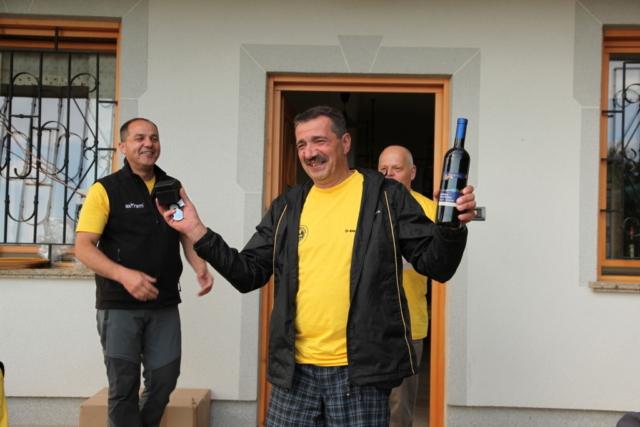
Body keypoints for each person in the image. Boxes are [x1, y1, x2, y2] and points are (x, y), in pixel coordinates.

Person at [157, 105, 475, 427]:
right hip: (295, 373)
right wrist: (196, 230)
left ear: (345, 143)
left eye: (319, 141)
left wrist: (452, 228)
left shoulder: (386, 196)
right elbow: (247, 274)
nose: (310, 153)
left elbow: (436, 265)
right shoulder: (287, 206)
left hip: (360, 373)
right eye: (302, 144)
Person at [75, 118, 213, 427]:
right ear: (122, 147)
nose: (148, 143)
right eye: (139, 138)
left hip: (164, 302)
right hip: (118, 305)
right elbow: (83, 247)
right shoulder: (105, 189)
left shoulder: (172, 186)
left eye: (154, 137)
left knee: (164, 380)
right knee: (124, 387)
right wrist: (124, 275)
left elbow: (186, 231)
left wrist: (200, 267)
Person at [378, 145, 436, 427]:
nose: (388, 174)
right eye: (383, 169)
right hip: (365, 322)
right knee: (360, 402)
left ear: (412, 172)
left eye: (396, 169)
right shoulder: (364, 207)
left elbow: (441, 261)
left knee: (399, 407)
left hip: (409, 322)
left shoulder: (430, 210)